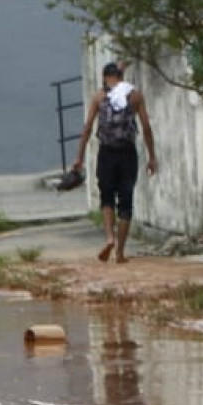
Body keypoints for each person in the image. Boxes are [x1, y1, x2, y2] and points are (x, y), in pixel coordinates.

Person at [72, 61, 158, 264]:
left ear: (105, 78)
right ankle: (120, 252)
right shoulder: (135, 96)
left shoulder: (99, 97)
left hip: (106, 153)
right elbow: (146, 127)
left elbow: (86, 128)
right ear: (121, 76)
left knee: (106, 198)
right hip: (127, 154)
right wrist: (152, 157)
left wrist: (80, 157)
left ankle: (109, 237)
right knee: (126, 202)